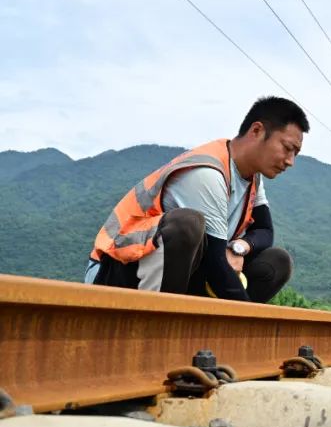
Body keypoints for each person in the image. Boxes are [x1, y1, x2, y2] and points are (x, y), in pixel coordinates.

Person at [84, 96, 305, 302]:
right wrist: (251, 318)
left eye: (295, 153)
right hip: (116, 270)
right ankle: (156, 320)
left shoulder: (253, 177)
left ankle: (212, 329)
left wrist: (238, 247)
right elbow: (216, 265)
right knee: (188, 225)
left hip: (188, 272)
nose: (290, 161)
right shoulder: (207, 172)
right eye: (287, 148)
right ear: (256, 130)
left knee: (277, 262)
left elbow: (265, 231)